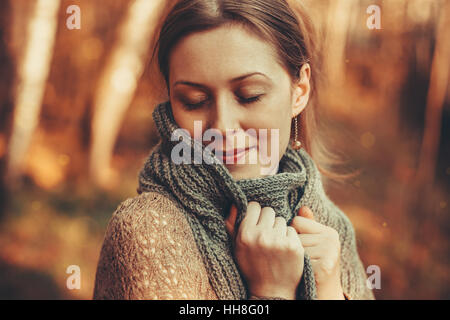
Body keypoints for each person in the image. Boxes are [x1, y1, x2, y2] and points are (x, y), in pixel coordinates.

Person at [93, 0, 375, 300]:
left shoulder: (333, 228)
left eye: (249, 96)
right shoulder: (149, 230)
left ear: (299, 91)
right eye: (194, 100)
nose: (223, 127)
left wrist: (329, 291)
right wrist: (272, 292)